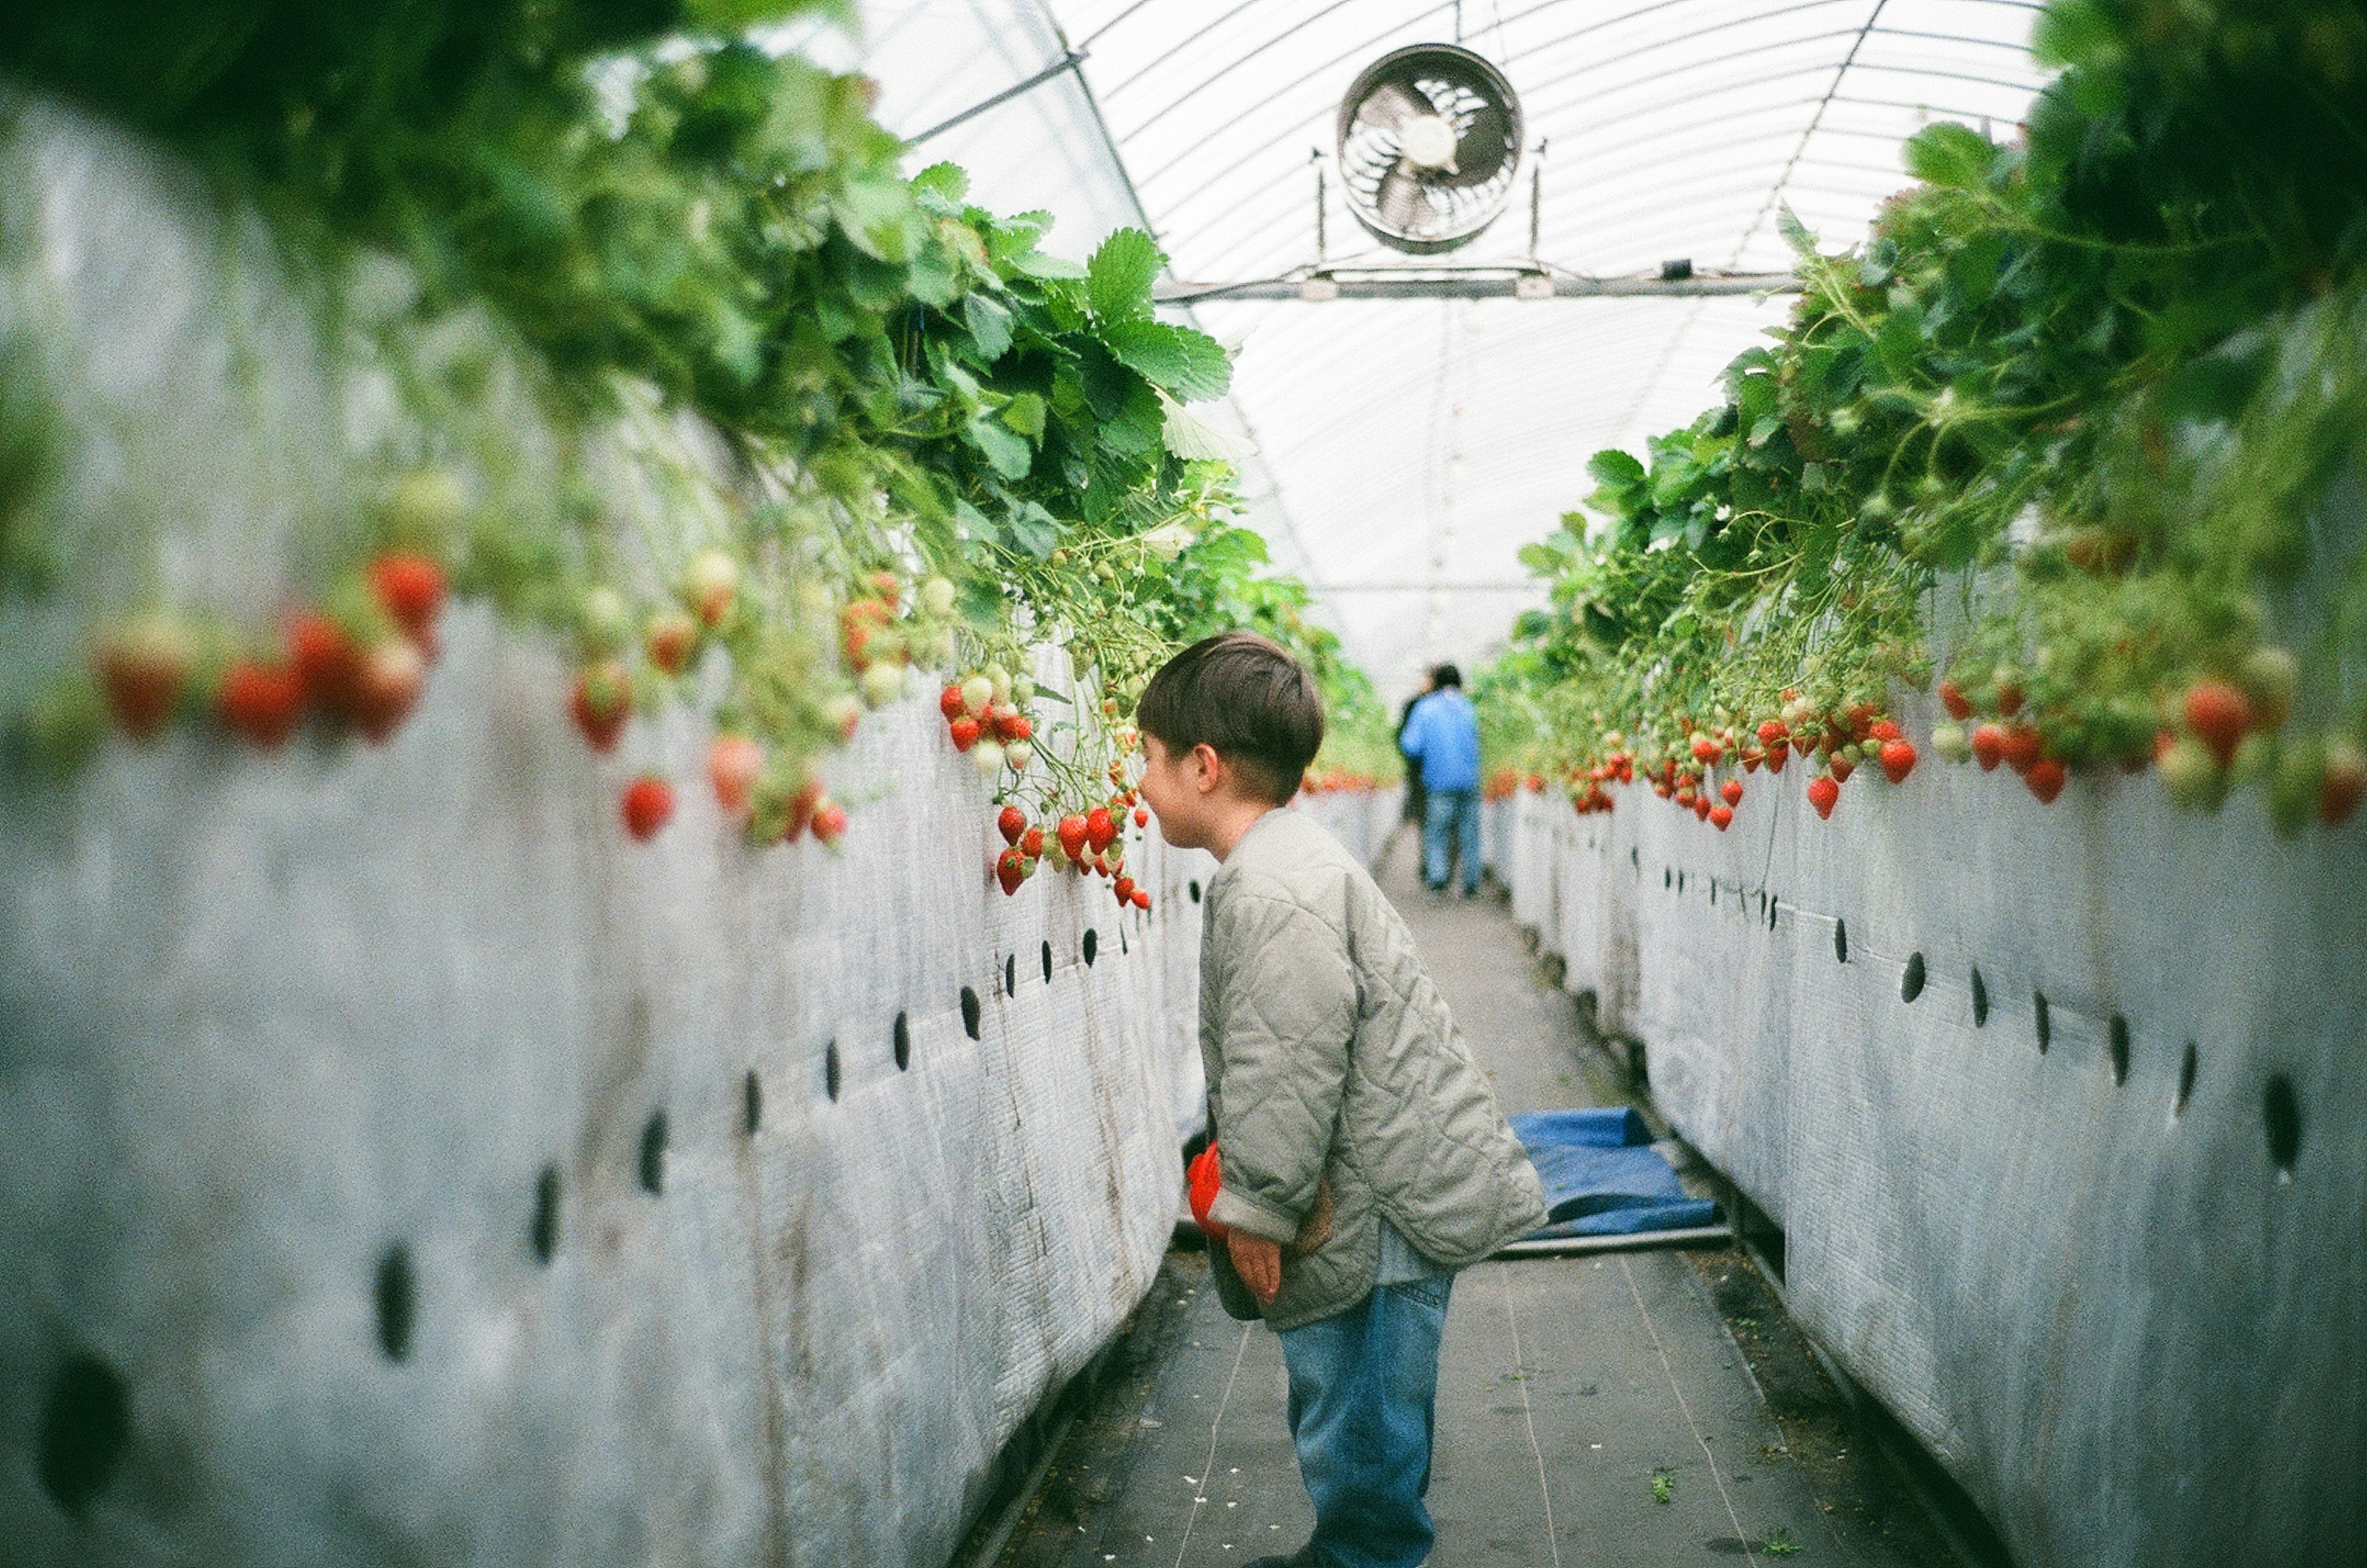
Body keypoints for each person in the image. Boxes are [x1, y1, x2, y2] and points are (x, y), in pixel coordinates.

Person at [1134, 631, 1547, 1568]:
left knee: (1361, 1423)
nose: (1141, 783)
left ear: (1203, 767)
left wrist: (1262, 1207)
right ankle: (1357, 1551)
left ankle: (1365, 1559)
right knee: (1357, 1411)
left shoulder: (1275, 890)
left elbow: (1291, 1057)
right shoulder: (1286, 861)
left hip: (1377, 1213)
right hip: (1378, 1190)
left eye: (1150, 761)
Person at [1397, 663, 1483, 897]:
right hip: (1469, 780)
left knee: (1437, 833)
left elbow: (1411, 746)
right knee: (1469, 832)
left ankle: (1438, 880)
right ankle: (1471, 883)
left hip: (1439, 781)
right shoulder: (1468, 707)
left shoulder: (1425, 708)